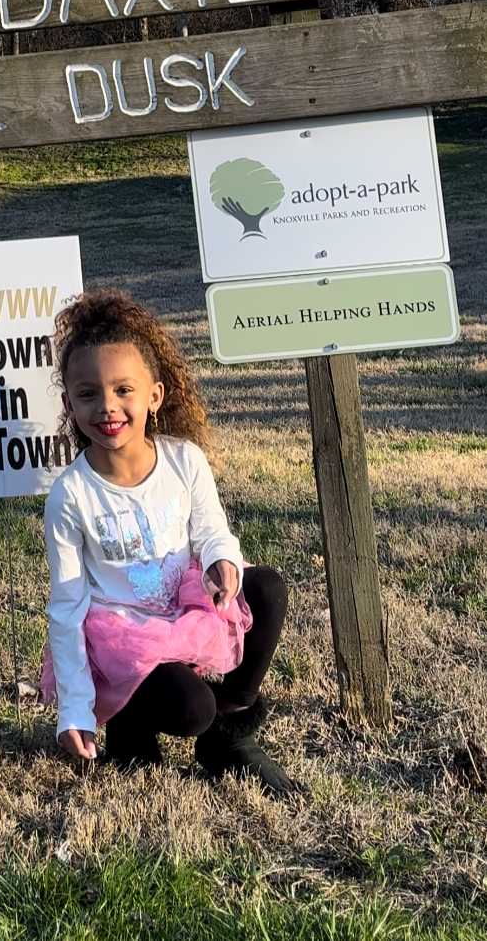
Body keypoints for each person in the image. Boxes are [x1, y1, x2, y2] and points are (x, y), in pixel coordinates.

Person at [39, 289, 297, 796]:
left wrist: (220, 559)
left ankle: (229, 735)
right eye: (88, 394)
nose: (107, 407)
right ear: (69, 401)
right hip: (124, 640)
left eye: (123, 390)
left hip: (185, 610)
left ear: (154, 395)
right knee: (189, 710)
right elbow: (66, 608)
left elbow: (211, 530)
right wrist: (73, 709)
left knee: (265, 589)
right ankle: (130, 724)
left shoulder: (183, 461)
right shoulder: (71, 495)